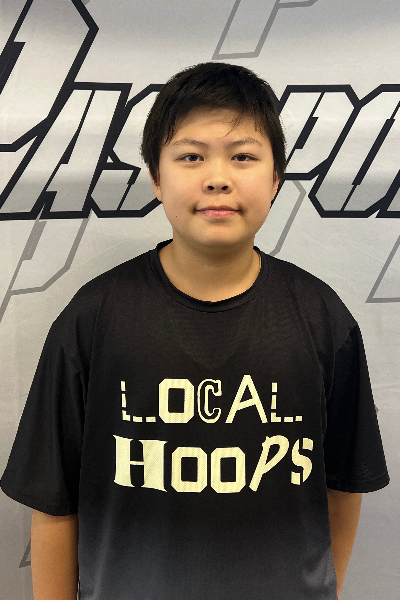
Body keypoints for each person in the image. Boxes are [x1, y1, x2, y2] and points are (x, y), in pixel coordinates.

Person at [0, 62, 389, 600]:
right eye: (191, 156)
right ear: (156, 179)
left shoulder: (323, 318)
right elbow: (53, 503)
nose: (217, 177)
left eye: (243, 156)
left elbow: (345, 485)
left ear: (276, 178)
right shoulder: (94, 318)